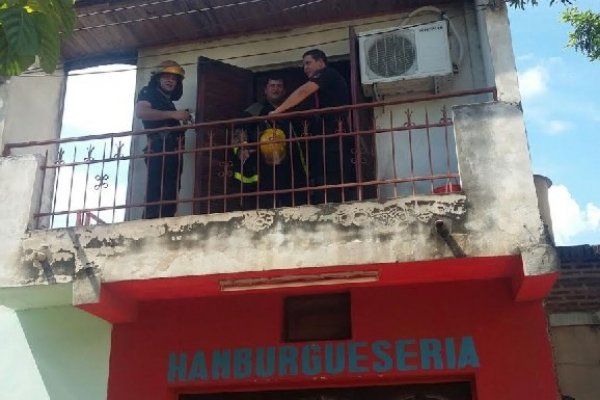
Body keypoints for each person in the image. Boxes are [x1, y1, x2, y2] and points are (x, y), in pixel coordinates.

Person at [270, 49, 356, 204]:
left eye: (308, 63)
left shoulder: (327, 74)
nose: (305, 68)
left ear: (321, 62)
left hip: (334, 134)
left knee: (333, 175)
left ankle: (334, 204)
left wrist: (278, 111)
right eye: (304, 65)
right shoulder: (327, 79)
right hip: (328, 134)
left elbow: (303, 91)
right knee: (322, 174)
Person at [232, 77, 308, 209]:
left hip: (289, 164)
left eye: (279, 86)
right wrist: (242, 147)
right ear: (265, 90)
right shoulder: (255, 110)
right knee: (265, 200)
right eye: (272, 86)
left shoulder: (292, 110)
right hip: (262, 163)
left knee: (291, 202)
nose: (275, 89)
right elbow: (240, 129)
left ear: (284, 91)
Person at [135, 60, 191, 219]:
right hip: (159, 147)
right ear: (157, 78)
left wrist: (181, 125)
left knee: (171, 191)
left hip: (173, 149)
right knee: (156, 189)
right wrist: (174, 115)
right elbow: (141, 112)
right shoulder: (149, 92)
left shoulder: (168, 102)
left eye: (174, 79)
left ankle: (166, 220)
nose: (170, 81)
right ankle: (150, 222)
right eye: (166, 77)